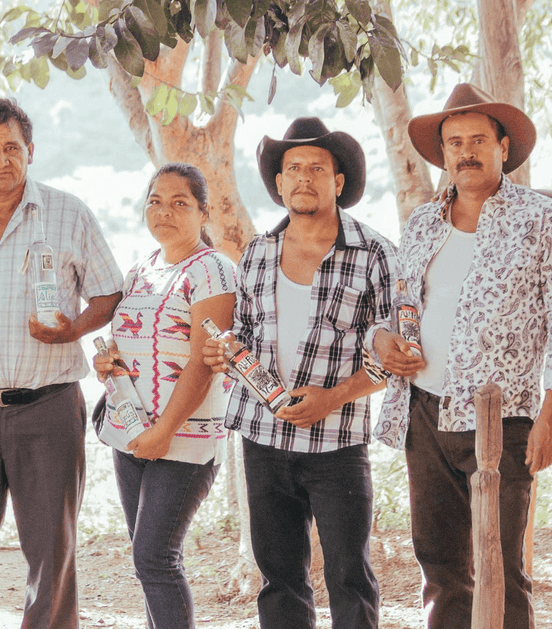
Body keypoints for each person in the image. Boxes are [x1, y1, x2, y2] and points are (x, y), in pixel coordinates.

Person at [0, 97, 123, 629]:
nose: (0, 160)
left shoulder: (69, 212)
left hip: (49, 409)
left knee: (52, 556)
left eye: (11, 147)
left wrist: (73, 329)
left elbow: (108, 294)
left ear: (30, 151)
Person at [202, 117, 396, 628]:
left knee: (350, 577)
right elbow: (240, 333)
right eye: (293, 169)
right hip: (263, 440)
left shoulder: (374, 254)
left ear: (338, 182)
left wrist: (334, 397)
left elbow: (395, 355)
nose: (304, 178)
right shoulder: (257, 253)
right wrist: (227, 355)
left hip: (338, 443)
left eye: (317, 167)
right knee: (280, 579)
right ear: (280, 183)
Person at [372, 83, 552, 629]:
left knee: (501, 565)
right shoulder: (424, 222)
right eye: (454, 143)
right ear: (444, 154)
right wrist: (383, 343)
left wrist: (551, 410)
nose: (466, 151)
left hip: (504, 417)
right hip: (424, 412)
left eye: (478, 140)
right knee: (440, 563)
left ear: (503, 147)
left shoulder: (540, 219)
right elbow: (394, 311)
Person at [92, 163, 236, 628]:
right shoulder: (140, 273)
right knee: (146, 560)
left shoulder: (212, 270)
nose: (164, 212)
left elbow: (203, 362)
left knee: (156, 557)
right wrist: (105, 363)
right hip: (132, 433)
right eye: (155, 201)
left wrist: (164, 432)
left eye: (180, 203)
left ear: (203, 212)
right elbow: (126, 345)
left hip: (183, 437)